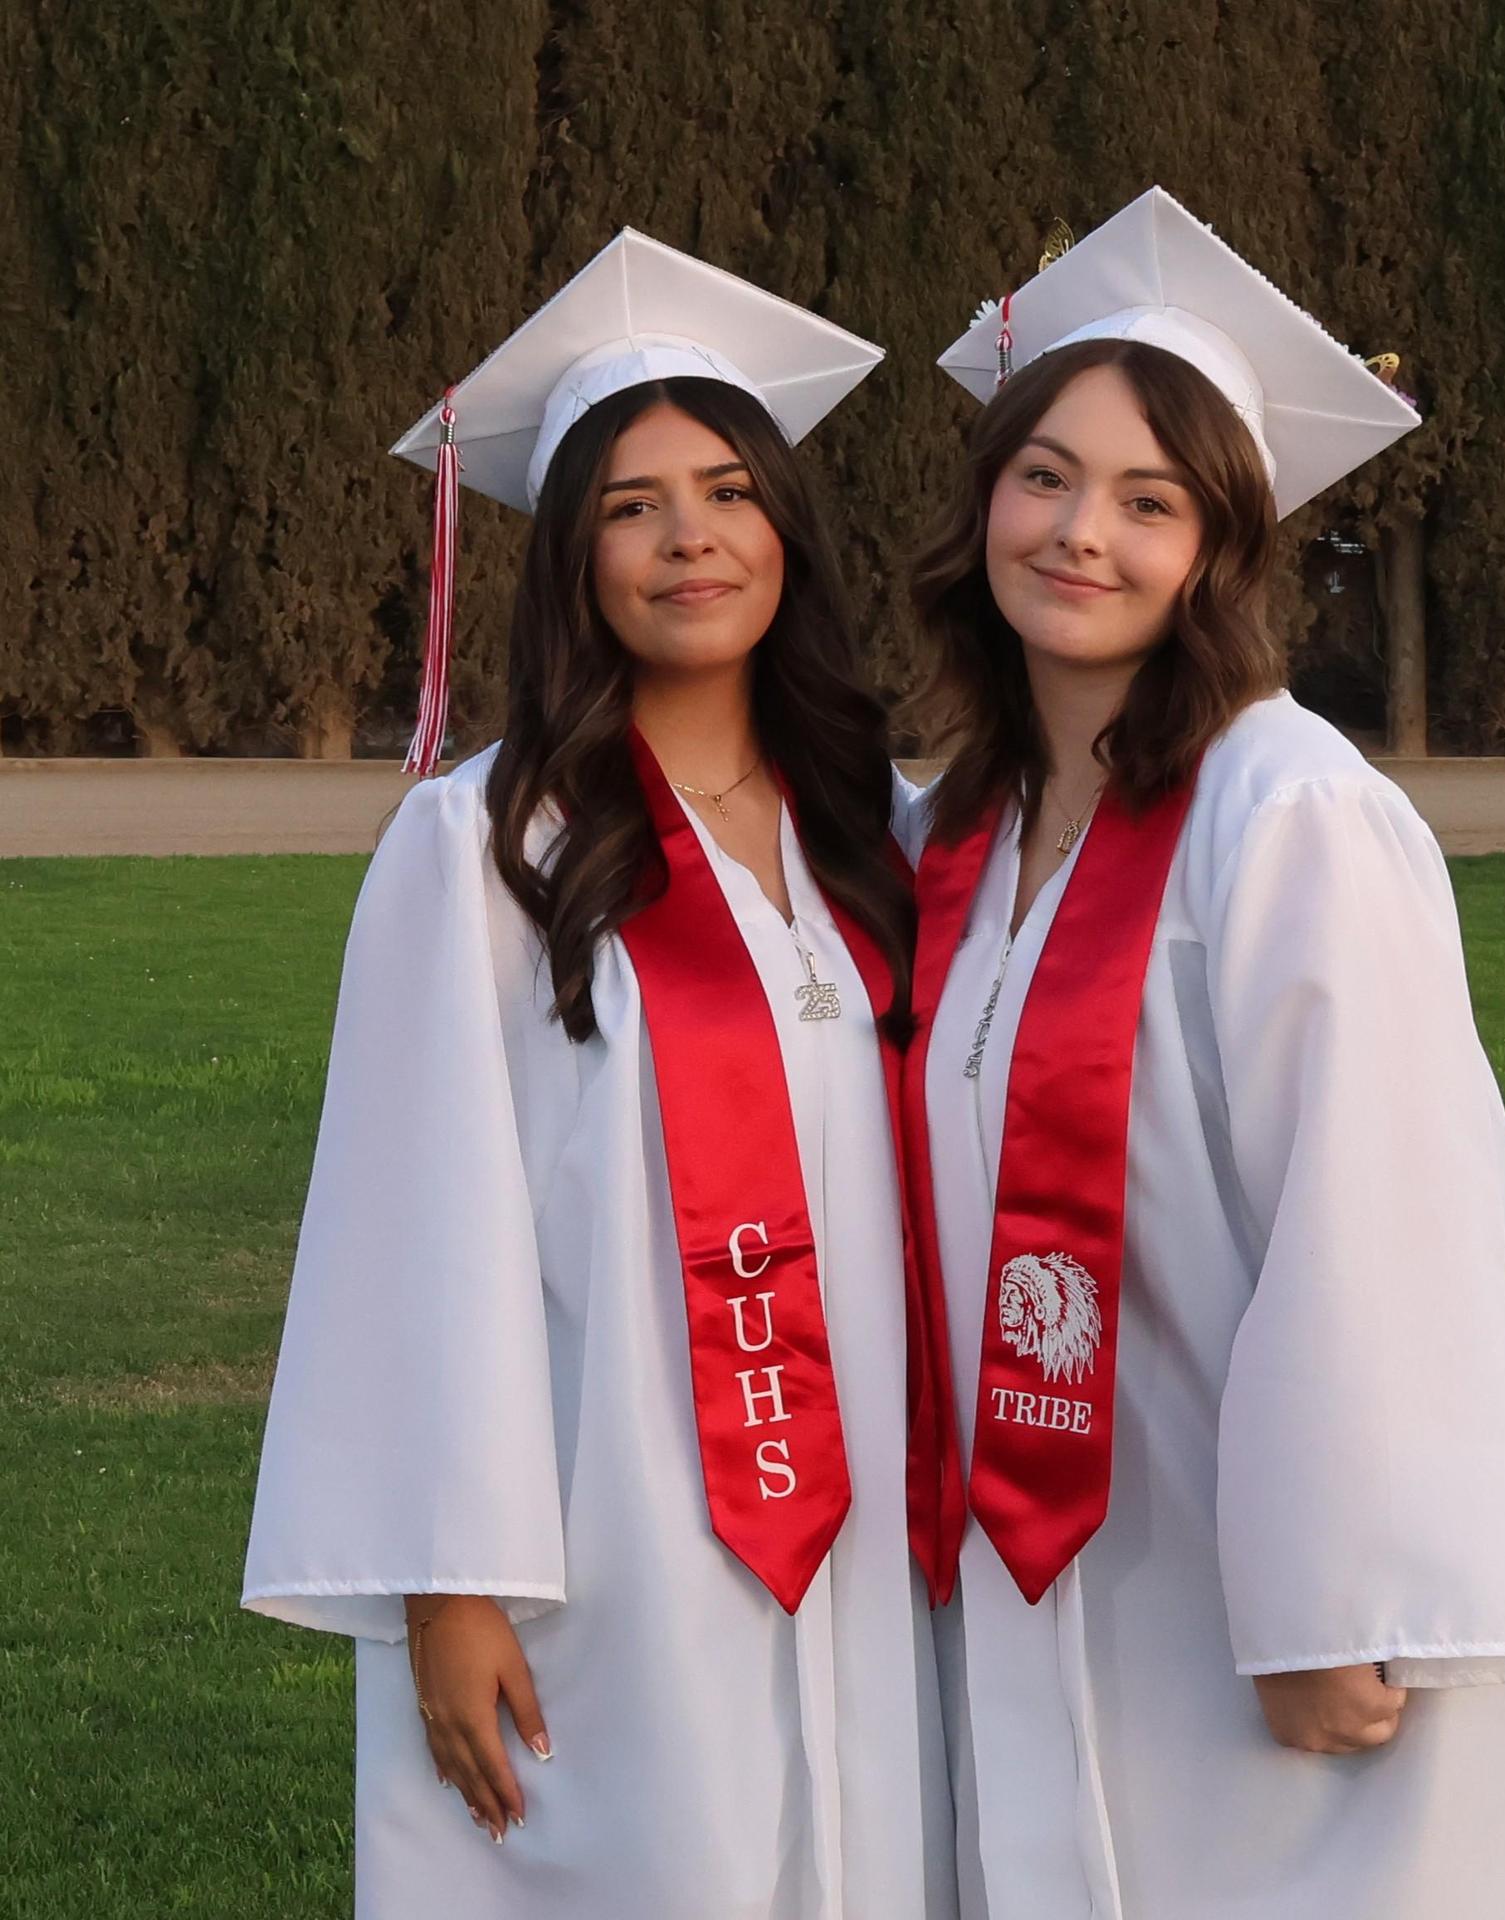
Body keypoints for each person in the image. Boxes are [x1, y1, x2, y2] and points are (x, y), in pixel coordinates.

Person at [899, 186, 1505, 1918]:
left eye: (1148, 499)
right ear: (985, 503)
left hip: (1265, 1562)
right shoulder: (953, 832)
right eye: (1046, 476)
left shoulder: (1293, 814)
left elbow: (1384, 1214)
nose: (1080, 532)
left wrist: (1342, 1599)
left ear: (1221, 551)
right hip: (1063, 1540)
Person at [243, 228, 960, 1920]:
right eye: (633, 505)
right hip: (612, 1500)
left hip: (877, 1507)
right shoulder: (482, 847)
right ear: (571, 558)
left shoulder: (886, 834)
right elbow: (417, 1225)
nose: (690, 536)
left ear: (789, 527)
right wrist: (448, 1585)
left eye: (726, 488)